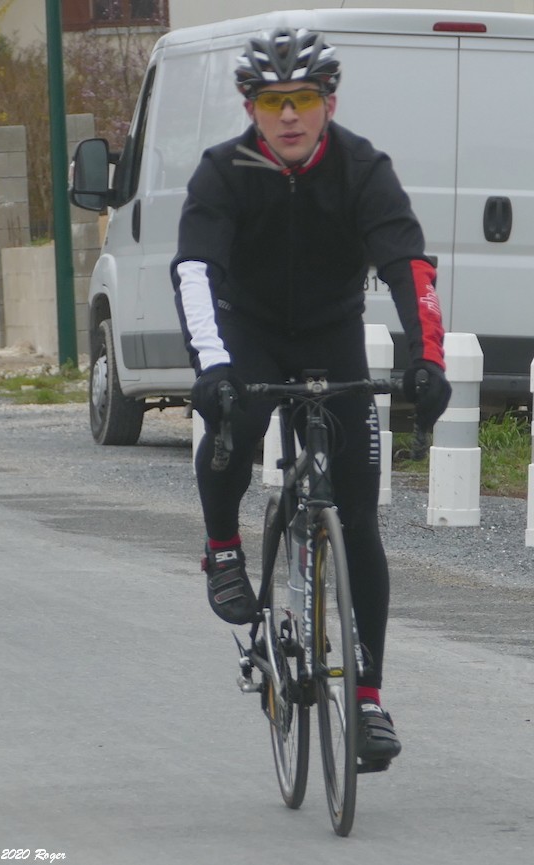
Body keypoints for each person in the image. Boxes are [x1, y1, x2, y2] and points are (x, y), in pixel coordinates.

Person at [171, 28, 452, 763]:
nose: (289, 115)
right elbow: (195, 269)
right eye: (273, 102)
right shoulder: (222, 172)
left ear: (330, 101)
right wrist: (212, 366)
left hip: (331, 336)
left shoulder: (363, 168)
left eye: (302, 99)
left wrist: (427, 359)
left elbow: (408, 265)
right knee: (237, 416)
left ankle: (368, 700)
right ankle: (223, 547)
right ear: (251, 108)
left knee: (357, 519)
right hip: (250, 329)